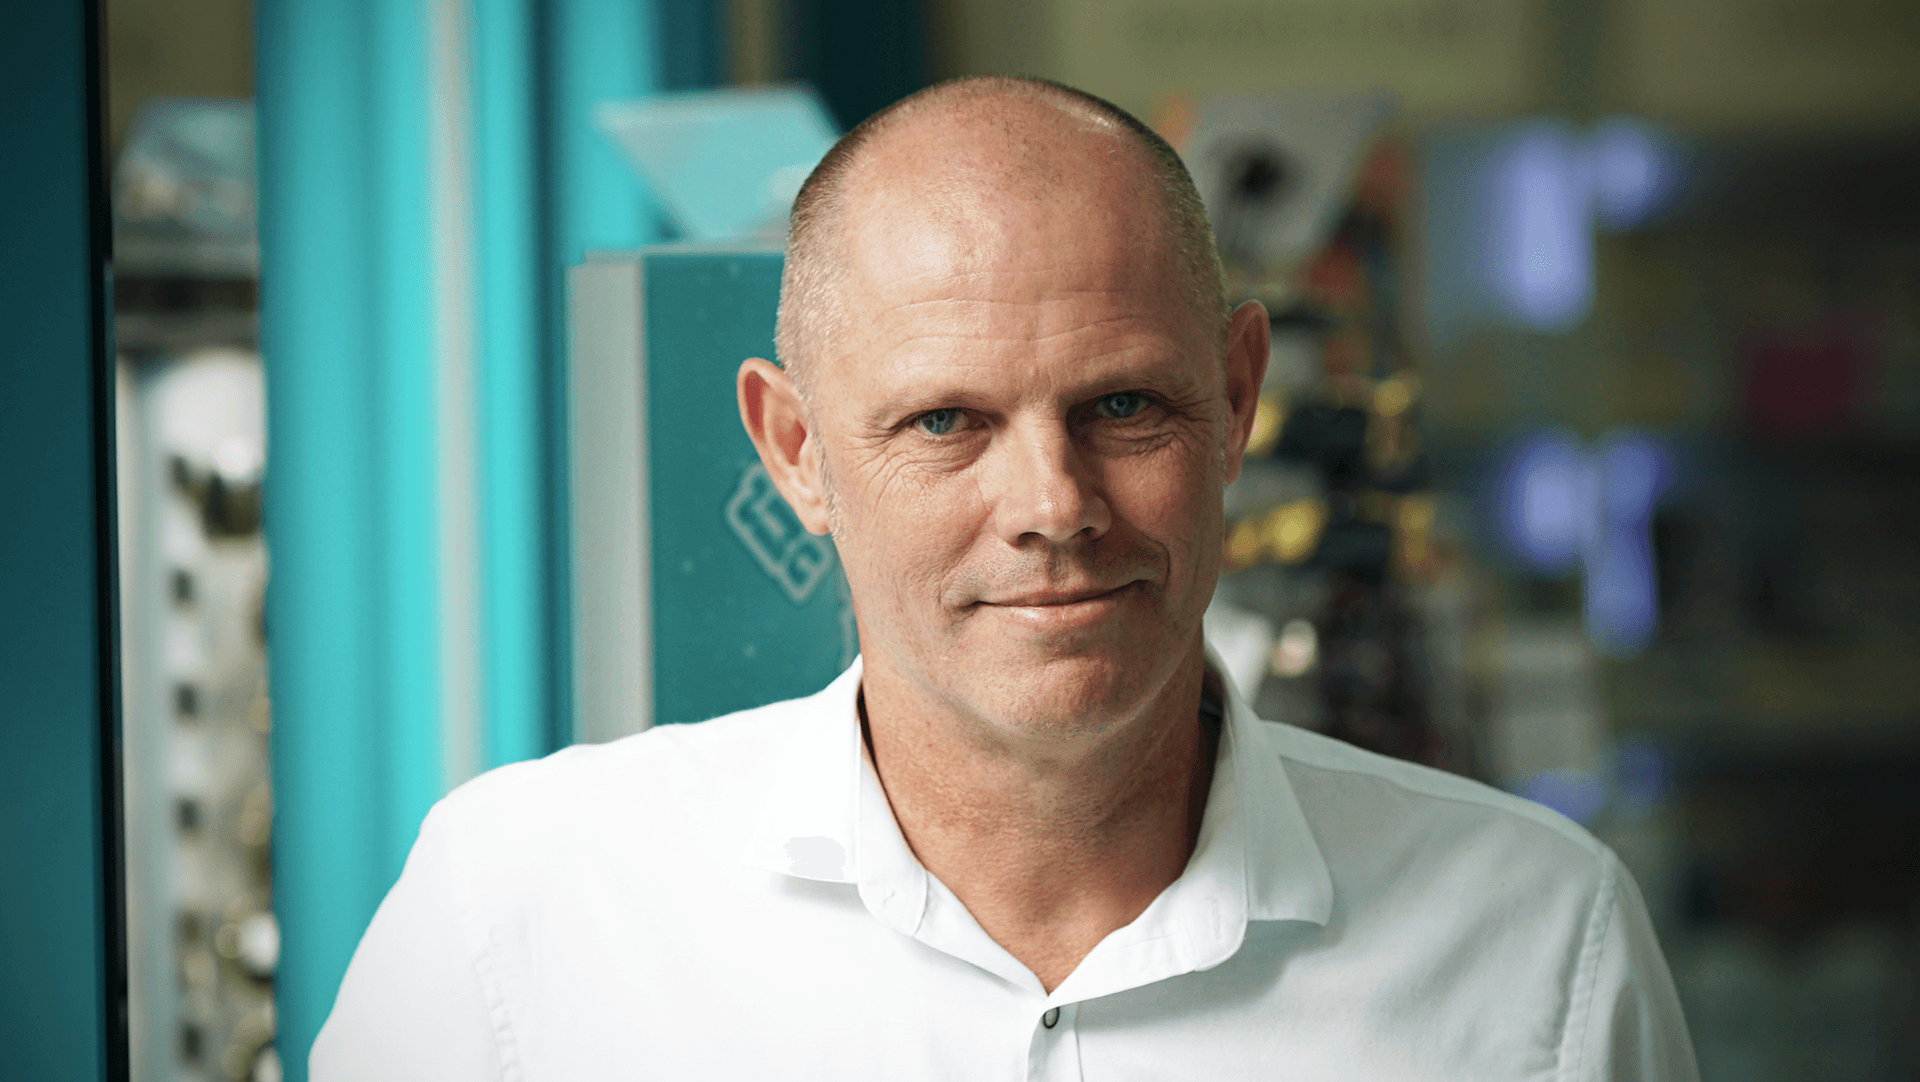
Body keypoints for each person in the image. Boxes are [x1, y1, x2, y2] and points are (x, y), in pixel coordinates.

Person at [312, 76, 1697, 1080]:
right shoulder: (520, 920)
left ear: (1237, 399)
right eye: (945, 422)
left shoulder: (1538, 950)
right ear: (795, 450)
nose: (1052, 508)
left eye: (1123, 407)